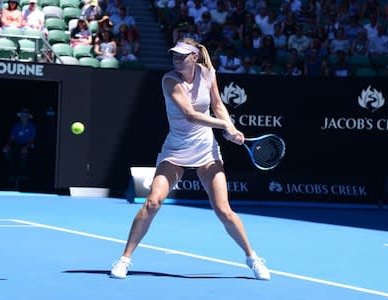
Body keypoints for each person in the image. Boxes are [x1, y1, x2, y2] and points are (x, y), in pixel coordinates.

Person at [109, 38, 271, 281]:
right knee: (152, 202)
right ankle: (124, 259)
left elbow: (217, 105)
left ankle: (253, 258)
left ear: (194, 57)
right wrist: (225, 126)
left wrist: (231, 127)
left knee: (224, 210)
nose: (176, 59)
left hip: (206, 150)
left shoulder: (207, 73)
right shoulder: (169, 80)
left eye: (182, 55)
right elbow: (190, 115)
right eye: (174, 54)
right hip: (175, 150)